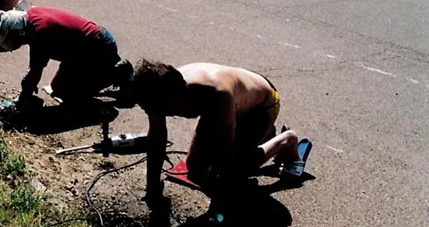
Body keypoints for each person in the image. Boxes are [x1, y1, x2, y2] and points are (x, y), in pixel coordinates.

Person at [117, 60, 311, 206]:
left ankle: (286, 140)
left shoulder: (216, 95)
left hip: (261, 104)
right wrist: (152, 188)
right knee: (195, 169)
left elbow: (224, 152)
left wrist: (220, 204)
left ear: (174, 99)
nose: (152, 113)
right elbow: (157, 140)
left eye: (154, 109)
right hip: (237, 98)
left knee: (238, 169)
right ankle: (264, 135)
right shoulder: (156, 92)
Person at [0, 7, 132, 108]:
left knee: (66, 92)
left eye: (10, 39)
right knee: (59, 88)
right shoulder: (31, 17)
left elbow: (35, 69)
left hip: (98, 48)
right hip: (80, 50)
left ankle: (118, 71)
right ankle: (108, 71)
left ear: (17, 32)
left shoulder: (40, 32)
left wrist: (23, 98)